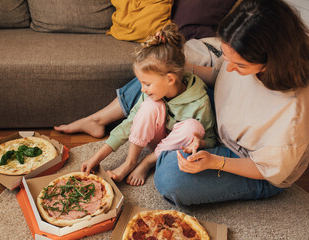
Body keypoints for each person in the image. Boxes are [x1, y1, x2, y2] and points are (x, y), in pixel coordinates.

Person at [56, 0, 309, 206]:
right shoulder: (241, 58)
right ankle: (100, 120)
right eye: (228, 58)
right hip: (217, 119)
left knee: (171, 178)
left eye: (240, 65)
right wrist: (171, 61)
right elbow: (218, 76)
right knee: (156, 77)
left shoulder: (291, 114)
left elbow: (270, 170)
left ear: (272, 59)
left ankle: (154, 156)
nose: (230, 68)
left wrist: (214, 161)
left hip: (254, 165)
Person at [75, 23, 216, 186]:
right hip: (154, 138)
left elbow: (210, 140)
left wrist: (200, 142)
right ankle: (130, 162)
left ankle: (147, 162)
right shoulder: (153, 95)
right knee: (151, 105)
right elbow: (129, 124)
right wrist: (96, 157)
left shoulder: (200, 101)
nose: (142, 89)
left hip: (172, 149)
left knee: (193, 127)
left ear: (170, 79)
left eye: (147, 84)